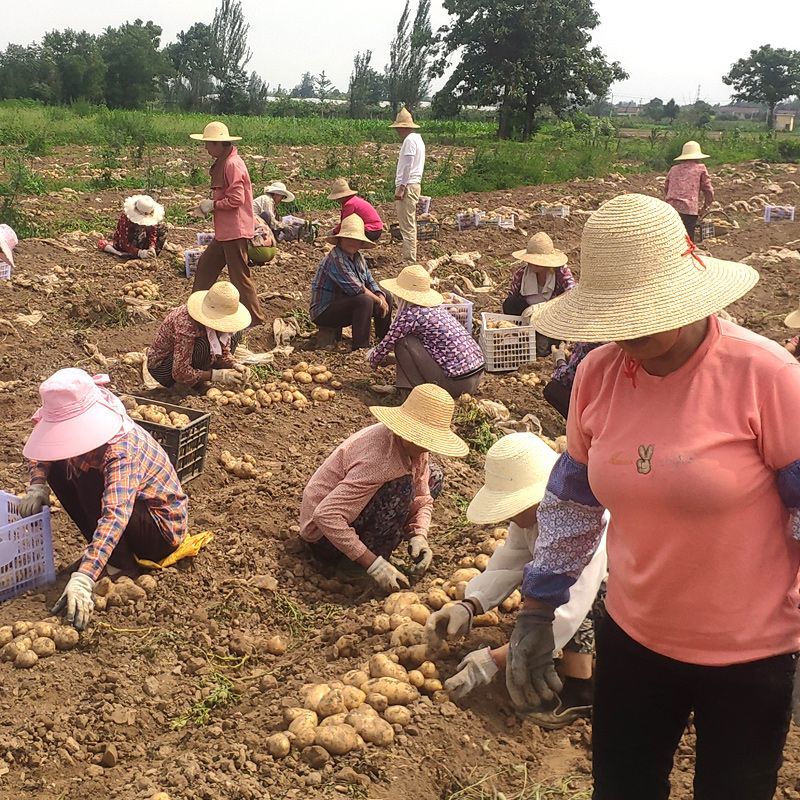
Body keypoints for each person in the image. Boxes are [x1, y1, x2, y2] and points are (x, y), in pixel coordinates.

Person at [509, 192, 800, 800]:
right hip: (634, 637)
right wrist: (538, 609)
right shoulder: (598, 374)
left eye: (643, 312)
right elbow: (573, 500)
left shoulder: (765, 376)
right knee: (623, 787)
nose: (627, 331)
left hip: (750, 656)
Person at [426, 433, 607, 728]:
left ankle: (580, 689)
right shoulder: (530, 518)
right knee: (542, 586)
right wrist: (470, 605)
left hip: (626, 596)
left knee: (562, 594)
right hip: (585, 593)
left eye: (513, 505)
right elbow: (509, 562)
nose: (509, 514)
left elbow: (567, 611)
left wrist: (493, 660)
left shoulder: (585, 525)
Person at [18, 369, 188, 630]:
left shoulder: (120, 449)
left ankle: (120, 567)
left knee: (88, 481)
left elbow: (115, 514)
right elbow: (42, 449)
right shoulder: (72, 439)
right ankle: (106, 558)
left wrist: (84, 577)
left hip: (159, 529)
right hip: (129, 518)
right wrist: (37, 485)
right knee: (62, 470)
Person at [299, 383, 467, 593]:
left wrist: (419, 535)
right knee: (401, 487)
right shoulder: (380, 460)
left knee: (434, 476)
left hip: (350, 515)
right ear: (407, 432)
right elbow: (325, 515)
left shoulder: (415, 449)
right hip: (325, 539)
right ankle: (351, 565)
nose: (427, 447)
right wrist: (373, 564)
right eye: (423, 439)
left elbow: (423, 497)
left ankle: (373, 551)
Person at [368, 264, 485, 398]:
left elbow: (388, 342)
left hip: (457, 384)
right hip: (476, 376)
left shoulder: (410, 315)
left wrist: (372, 359)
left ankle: (413, 393)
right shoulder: (436, 309)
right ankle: (406, 387)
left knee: (402, 342)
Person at [190, 121, 265, 327]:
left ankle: (255, 320)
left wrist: (212, 205)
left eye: (208, 144)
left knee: (240, 277)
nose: (205, 148)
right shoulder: (225, 161)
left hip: (235, 231)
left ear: (219, 144)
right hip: (225, 231)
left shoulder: (232, 164)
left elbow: (236, 199)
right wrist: (207, 207)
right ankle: (194, 313)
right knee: (205, 267)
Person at [147, 281, 251, 389]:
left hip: (192, 361)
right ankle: (186, 385)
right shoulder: (186, 323)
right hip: (164, 369)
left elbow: (222, 352)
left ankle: (201, 377)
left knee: (236, 333)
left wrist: (234, 364)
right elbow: (179, 371)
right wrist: (217, 375)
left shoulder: (224, 328)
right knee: (203, 345)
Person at [310, 214, 392, 350]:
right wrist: (379, 301)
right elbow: (356, 288)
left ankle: (383, 341)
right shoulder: (336, 258)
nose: (352, 242)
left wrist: (381, 296)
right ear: (341, 239)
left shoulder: (358, 258)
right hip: (324, 311)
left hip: (344, 303)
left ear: (361, 243)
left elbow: (370, 281)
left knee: (386, 295)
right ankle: (360, 346)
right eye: (348, 239)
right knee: (365, 300)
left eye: (356, 240)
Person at [503, 232, 576, 357]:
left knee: (543, 349)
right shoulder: (521, 275)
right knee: (510, 303)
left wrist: (545, 307)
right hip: (528, 317)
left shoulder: (560, 272)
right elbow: (512, 297)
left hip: (553, 315)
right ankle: (523, 337)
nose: (532, 264)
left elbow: (572, 293)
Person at [391, 107, 425, 262]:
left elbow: (408, 165)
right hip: (414, 184)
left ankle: (409, 260)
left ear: (403, 127)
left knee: (407, 225)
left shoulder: (410, 140)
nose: (397, 131)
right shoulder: (418, 139)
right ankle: (409, 257)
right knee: (409, 223)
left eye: (399, 128)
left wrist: (402, 187)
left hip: (408, 185)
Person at [664, 140, 714, 240]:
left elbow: (666, 187)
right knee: (687, 239)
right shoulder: (701, 169)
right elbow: (708, 190)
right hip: (689, 209)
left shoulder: (673, 169)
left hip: (670, 208)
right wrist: (705, 206)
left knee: (671, 237)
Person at [543, 341, 605, 418]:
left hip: (595, 407)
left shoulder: (588, 344)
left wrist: (559, 360)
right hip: (612, 401)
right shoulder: (615, 346)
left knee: (552, 389)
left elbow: (566, 378)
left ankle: (580, 425)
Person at [98, 195, 167, 260]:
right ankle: (134, 254)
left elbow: (153, 231)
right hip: (126, 245)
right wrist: (139, 252)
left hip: (142, 241)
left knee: (162, 228)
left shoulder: (150, 219)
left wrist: (152, 246)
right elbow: (123, 241)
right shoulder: (126, 219)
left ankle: (150, 254)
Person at [329, 178, 384, 242]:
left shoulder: (349, 204)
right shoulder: (354, 200)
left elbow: (345, 222)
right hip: (376, 229)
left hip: (371, 230)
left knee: (347, 235)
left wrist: (334, 232)